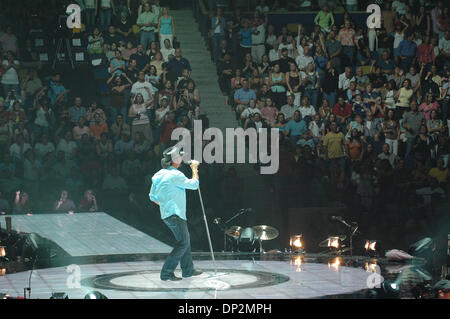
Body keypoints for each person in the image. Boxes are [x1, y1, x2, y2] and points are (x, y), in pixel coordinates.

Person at [149, 146, 203, 281]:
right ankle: (166, 272)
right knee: (183, 243)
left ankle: (188, 270)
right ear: (175, 160)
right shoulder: (176, 175)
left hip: (167, 214)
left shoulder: (157, 175)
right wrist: (194, 168)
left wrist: (165, 203)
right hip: (176, 213)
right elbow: (194, 184)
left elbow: (152, 197)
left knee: (185, 241)